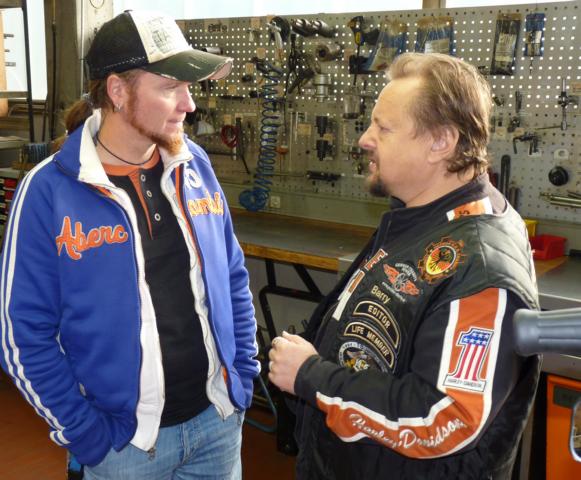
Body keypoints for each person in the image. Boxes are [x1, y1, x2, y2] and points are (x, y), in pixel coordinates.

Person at [0, 10, 258, 480]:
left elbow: (232, 278)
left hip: (217, 423)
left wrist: (241, 378)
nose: (188, 104)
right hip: (124, 447)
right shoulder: (48, 191)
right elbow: (23, 335)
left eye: (189, 87)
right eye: (170, 87)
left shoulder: (194, 166)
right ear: (118, 91)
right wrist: (86, 435)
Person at [269, 52, 540, 480]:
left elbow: (445, 418)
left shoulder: (481, 266)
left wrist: (312, 377)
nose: (365, 139)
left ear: (441, 142)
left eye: (384, 128)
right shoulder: (420, 216)